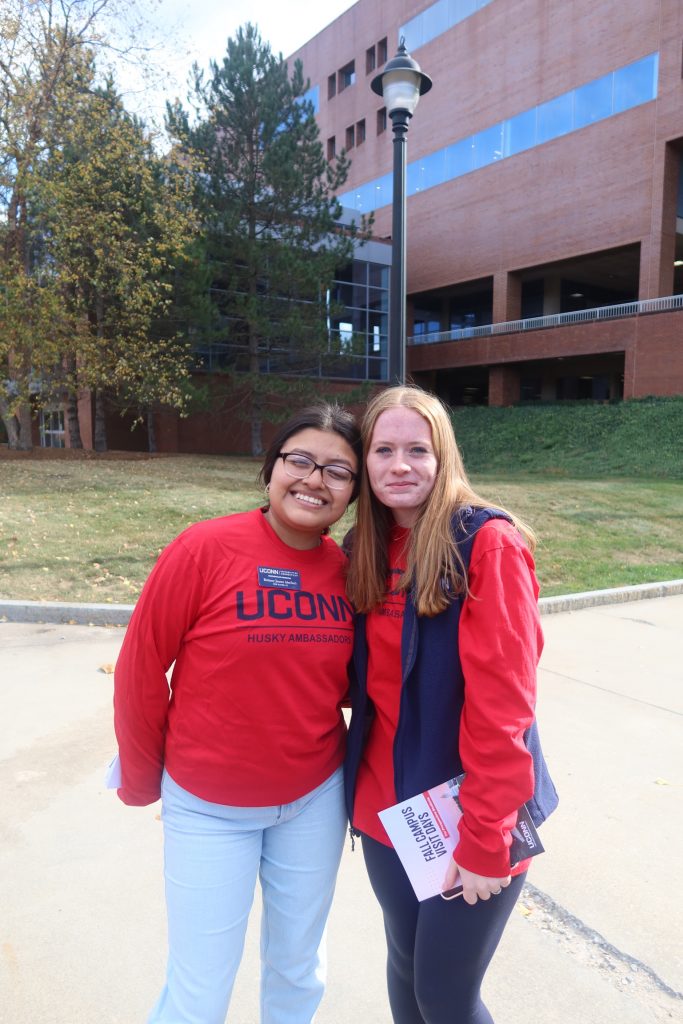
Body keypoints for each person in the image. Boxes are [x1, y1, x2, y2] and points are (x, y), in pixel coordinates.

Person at [113, 404, 361, 1024]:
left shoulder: (350, 572)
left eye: (337, 470)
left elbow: (358, 684)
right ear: (271, 468)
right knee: (199, 989)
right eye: (299, 460)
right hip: (208, 806)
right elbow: (142, 669)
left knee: (299, 971)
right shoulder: (205, 547)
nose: (314, 480)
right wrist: (143, 778)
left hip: (312, 800)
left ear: (354, 493)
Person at [344, 385, 558, 1024]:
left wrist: (486, 837)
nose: (399, 465)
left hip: (470, 815)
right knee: (405, 972)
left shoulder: (485, 544)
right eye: (383, 449)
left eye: (418, 449)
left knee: (444, 995)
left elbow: (504, 708)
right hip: (387, 812)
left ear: (445, 459)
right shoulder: (364, 548)